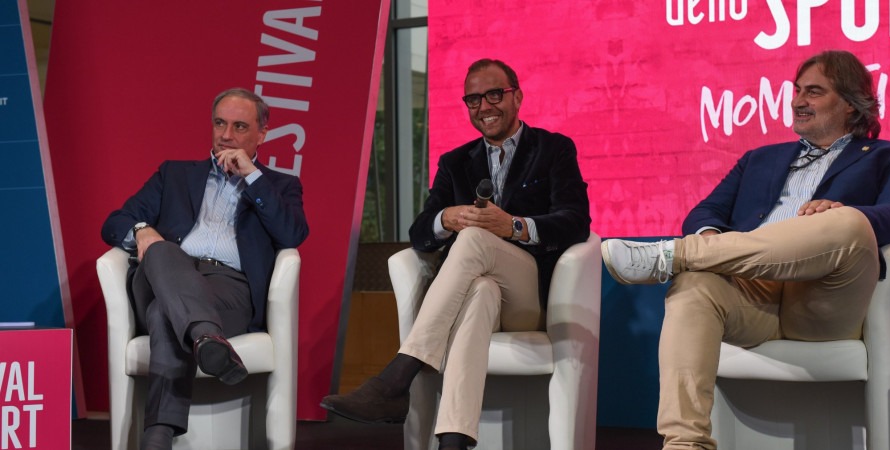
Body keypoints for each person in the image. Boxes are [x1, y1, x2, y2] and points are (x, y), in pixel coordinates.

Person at [601, 50, 890, 449]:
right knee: (692, 287)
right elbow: (706, 211)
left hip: (822, 299)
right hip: (753, 294)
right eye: (796, 90)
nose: (798, 101)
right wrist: (709, 236)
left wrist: (843, 213)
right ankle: (685, 444)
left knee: (848, 222)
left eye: (813, 92)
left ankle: (673, 255)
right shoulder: (759, 159)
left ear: (850, 103)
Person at [320, 58, 591, 449]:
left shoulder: (553, 149)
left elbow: (575, 221)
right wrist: (445, 218)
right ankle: (453, 440)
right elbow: (419, 234)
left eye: (494, 94)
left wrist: (513, 225)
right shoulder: (455, 162)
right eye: (473, 99)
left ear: (517, 97)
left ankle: (398, 376)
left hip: (528, 295)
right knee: (481, 290)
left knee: (475, 238)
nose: (484, 107)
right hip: (481, 294)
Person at [101, 88, 309, 450]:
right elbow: (115, 222)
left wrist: (252, 176)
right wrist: (142, 230)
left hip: (228, 289)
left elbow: (292, 234)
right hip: (163, 275)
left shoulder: (279, 185)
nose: (226, 135)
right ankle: (207, 338)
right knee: (162, 250)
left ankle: (158, 436)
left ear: (261, 134)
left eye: (239, 126)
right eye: (219, 123)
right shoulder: (174, 174)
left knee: (164, 313)